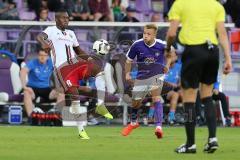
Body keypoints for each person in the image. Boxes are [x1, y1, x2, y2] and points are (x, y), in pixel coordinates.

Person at [166, 0, 232, 153]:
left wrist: (168, 48)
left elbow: (171, 33)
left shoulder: (180, 3)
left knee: (189, 99)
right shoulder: (216, 6)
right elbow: (222, 34)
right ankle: (212, 139)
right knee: (207, 96)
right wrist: (227, 59)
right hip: (212, 51)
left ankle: (190, 144)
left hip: (194, 51)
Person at [36, 10, 113, 139]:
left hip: (76, 64)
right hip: (63, 69)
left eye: (68, 18)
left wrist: (89, 58)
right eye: (64, 18)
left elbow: (78, 50)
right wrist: (45, 44)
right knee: (75, 95)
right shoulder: (51, 30)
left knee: (100, 71)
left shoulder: (71, 34)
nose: (67, 20)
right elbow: (39, 37)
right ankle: (81, 130)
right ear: (56, 19)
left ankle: (100, 105)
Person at [121, 24, 174, 139]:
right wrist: (127, 73)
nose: (145, 36)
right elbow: (128, 61)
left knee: (156, 98)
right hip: (142, 76)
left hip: (157, 75)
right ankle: (133, 123)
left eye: (148, 34)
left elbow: (170, 55)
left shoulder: (162, 45)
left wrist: (167, 65)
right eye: (144, 33)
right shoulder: (137, 45)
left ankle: (159, 127)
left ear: (154, 34)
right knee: (135, 102)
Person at [20, 48, 65, 118]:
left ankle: (57, 116)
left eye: (45, 55)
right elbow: (23, 71)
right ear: (38, 56)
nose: (42, 57)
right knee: (26, 93)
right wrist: (24, 86)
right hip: (33, 88)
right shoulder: (33, 62)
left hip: (46, 89)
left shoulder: (51, 62)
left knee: (61, 93)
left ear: (48, 57)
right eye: (40, 55)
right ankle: (31, 118)